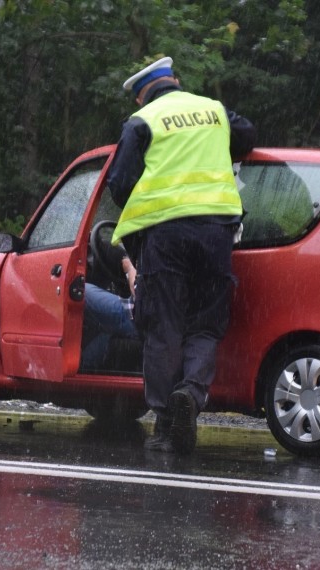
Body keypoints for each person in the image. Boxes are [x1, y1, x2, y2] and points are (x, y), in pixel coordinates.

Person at [106, 56, 256, 454]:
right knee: (206, 323)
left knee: (164, 326)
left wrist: (144, 223)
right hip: (216, 233)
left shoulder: (143, 122)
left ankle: (164, 422)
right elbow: (247, 138)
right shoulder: (214, 110)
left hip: (166, 236)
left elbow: (118, 183)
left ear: (142, 96)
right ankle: (190, 393)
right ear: (176, 80)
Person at [81, 254, 139, 371]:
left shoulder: (159, 252)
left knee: (80, 290)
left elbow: (139, 292)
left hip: (136, 316)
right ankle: (84, 368)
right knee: (103, 333)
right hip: (151, 322)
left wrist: (129, 268)